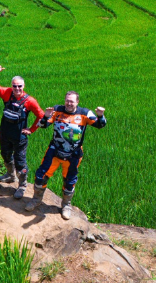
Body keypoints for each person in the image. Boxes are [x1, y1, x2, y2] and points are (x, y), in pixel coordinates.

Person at [25, 92, 106, 220]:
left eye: (72, 101)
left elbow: (100, 125)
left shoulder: (85, 113)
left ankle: (66, 205)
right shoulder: (57, 110)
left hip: (73, 154)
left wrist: (100, 116)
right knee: (41, 176)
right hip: (54, 151)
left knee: (69, 181)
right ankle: (36, 200)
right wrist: (45, 117)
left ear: (77, 102)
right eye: (67, 101)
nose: (69, 103)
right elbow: (43, 125)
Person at [0, 62, 45, 199]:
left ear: (23, 86)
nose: (17, 88)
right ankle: (10, 175)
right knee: (5, 155)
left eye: (19, 86)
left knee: (20, 162)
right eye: (15, 86)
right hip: (5, 134)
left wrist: (31, 129)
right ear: (12, 86)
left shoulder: (29, 101)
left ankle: (22, 185)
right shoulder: (7, 93)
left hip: (20, 138)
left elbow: (41, 116)